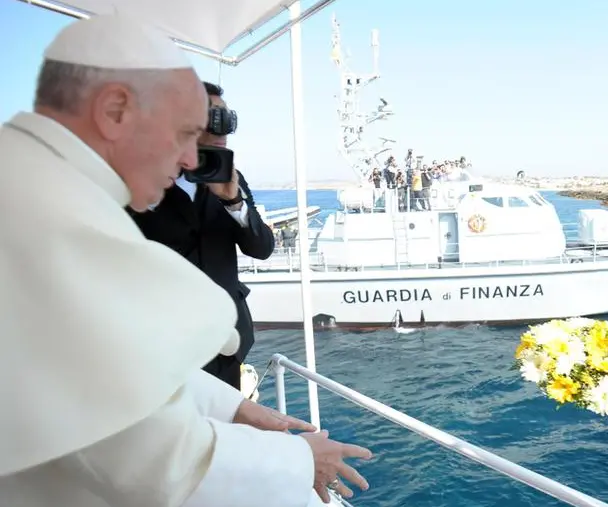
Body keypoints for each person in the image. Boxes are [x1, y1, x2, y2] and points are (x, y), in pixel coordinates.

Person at [0, 14, 371, 507]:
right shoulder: (46, 221)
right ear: (114, 111)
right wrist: (303, 460)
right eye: (183, 133)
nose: (193, 161)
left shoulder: (43, 191)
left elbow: (119, 366)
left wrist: (234, 407)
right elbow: (154, 462)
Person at [128, 81, 274, 390]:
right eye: (211, 119)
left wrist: (234, 202)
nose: (222, 131)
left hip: (227, 344)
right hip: (167, 348)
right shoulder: (139, 181)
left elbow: (261, 248)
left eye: (227, 119)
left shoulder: (232, 177)